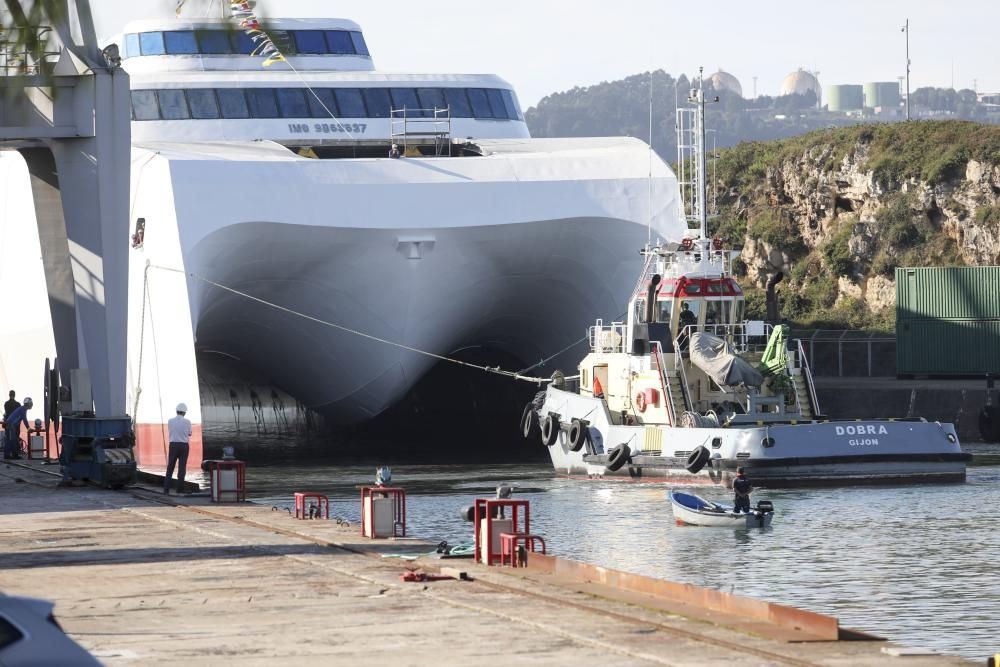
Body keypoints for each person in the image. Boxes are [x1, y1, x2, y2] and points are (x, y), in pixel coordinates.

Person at [164, 403, 193, 495]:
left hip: (173, 445)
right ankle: (179, 489)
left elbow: (171, 431)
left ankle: (166, 489)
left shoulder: (170, 421)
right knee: (182, 468)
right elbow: (190, 433)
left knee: (170, 467)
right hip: (184, 446)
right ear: (184, 412)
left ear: (176, 411)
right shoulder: (187, 422)